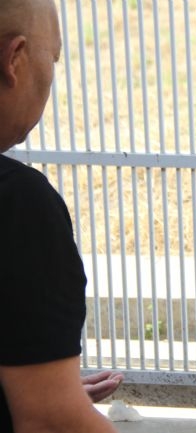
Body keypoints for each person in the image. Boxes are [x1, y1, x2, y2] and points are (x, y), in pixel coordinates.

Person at [0, 0, 121, 431]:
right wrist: (56, 405)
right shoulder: (17, 204)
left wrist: (41, 386)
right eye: (51, 57)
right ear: (14, 59)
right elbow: (49, 422)